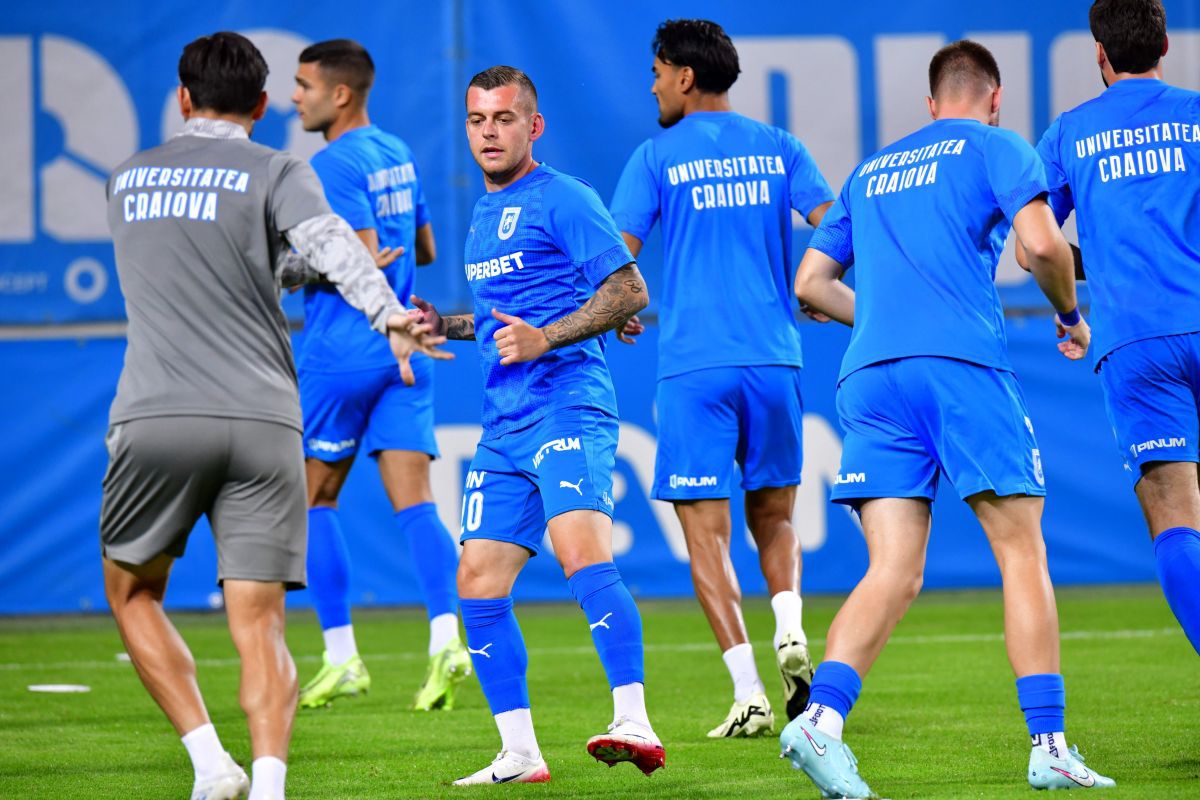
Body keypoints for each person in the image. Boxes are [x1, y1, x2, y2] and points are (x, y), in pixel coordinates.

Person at [101, 32, 445, 800]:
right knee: (262, 626)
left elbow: (213, 257)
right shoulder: (277, 168)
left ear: (184, 99)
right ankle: (268, 786)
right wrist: (390, 315)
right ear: (261, 106)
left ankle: (207, 762)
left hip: (157, 414)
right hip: (263, 420)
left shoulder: (124, 180)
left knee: (132, 593)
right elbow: (327, 247)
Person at [785, 40, 1114, 796]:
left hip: (869, 376)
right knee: (1020, 550)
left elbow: (811, 282)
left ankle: (821, 722)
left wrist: (885, 324)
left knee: (893, 570)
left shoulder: (870, 171)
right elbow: (1039, 246)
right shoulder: (998, 146)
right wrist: (1070, 315)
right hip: (960, 368)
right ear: (993, 99)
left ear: (932, 103)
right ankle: (1051, 745)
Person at [410, 66, 664, 785]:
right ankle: (519, 753)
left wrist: (552, 337)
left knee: (579, 549)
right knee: (477, 580)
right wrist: (445, 322)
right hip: (505, 420)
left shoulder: (564, 197)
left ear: (533, 126)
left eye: (503, 118)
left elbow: (630, 288)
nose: (488, 132)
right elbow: (506, 325)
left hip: (568, 401)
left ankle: (634, 719)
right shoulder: (485, 213)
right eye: (476, 120)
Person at [610, 18, 834, 738]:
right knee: (774, 517)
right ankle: (792, 628)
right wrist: (811, 285)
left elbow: (621, 256)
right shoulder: (780, 148)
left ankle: (749, 696)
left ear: (681, 75)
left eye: (655, 72)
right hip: (774, 360)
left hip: (694, 367)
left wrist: (619, 309)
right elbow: (834, 225)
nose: (651, 85)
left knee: (705, 536)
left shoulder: (655, 156)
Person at [288, 39, 470, 712]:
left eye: (304, 85)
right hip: (409, 348)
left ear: (340, 94)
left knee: (314, 502)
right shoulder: (397, 150)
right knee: (417, 505)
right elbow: (421, 247)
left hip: (345, 349)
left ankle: (342, 658)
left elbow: (357, 260)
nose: (294, 96)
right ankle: (447, 639)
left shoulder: (329, 165)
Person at [1020, 0, 1200, 657]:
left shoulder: (1068, 134)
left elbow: (1032, 247)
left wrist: (1079, 300)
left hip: (1136, 342)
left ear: (1100, 54)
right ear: (1165, 47)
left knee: (1177, 522)